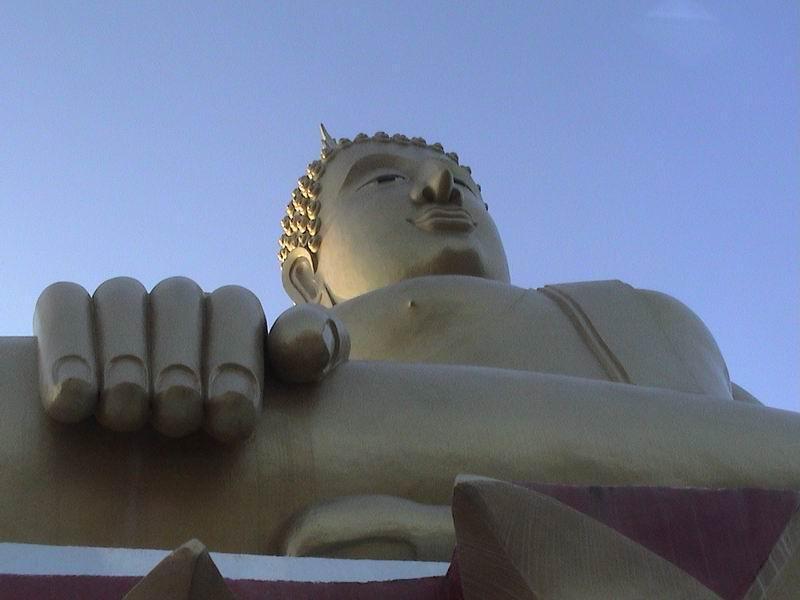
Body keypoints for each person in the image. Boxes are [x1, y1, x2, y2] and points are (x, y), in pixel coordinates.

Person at [11, 127, 795, 560]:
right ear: (305, 279)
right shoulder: (266, 367)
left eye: (466, 183)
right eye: (382, 181)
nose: (438, 186)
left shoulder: (644, 323)